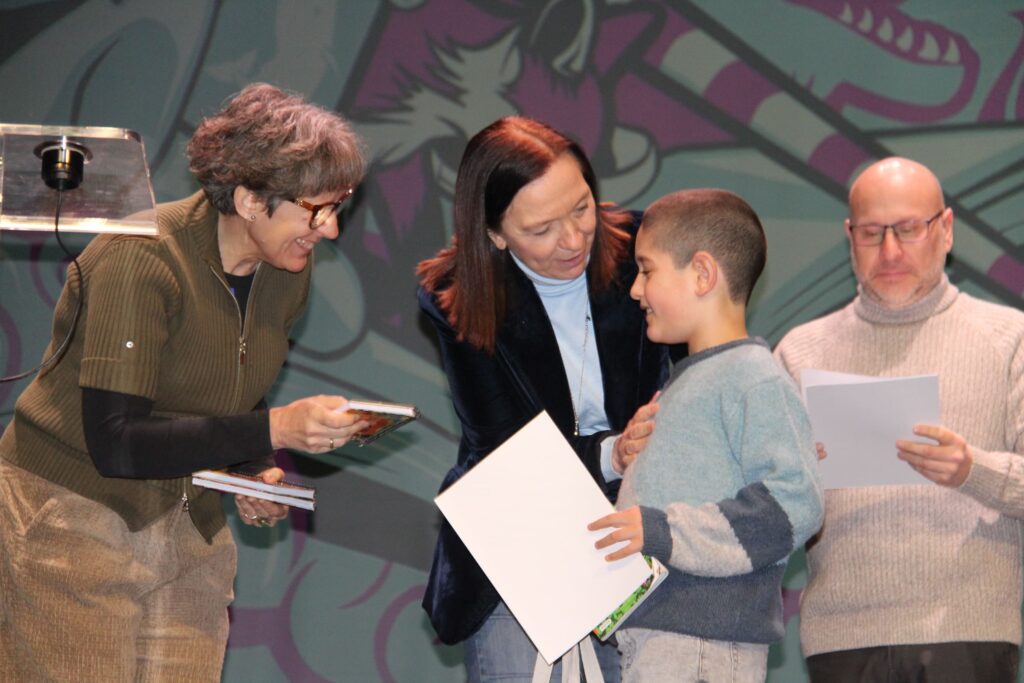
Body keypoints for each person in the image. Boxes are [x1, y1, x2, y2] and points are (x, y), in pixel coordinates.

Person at [0, 83, 370, 682]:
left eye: (338, 206)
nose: (329, 230)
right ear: (249, 200)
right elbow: (117, 444)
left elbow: (233, 386)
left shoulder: (286, 272)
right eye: (316, 209)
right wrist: (274, 430)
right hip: (71, 519)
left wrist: (253, 470)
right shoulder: (141, 257)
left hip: (188, 525)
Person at [416, 116, 672, 682]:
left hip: (636, 530)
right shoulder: (455, 297)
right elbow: (503, 447)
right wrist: (613, 453)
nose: (573, 239)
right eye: (541, 229)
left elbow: (701, 360)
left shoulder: (646, 248)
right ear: (494, 234)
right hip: (524, 540)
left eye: (581, 208)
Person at [774, 157, 1024, 682]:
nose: (890, 251)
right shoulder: (800, 352)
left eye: (909, 229)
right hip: (841, 641)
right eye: (872, 233)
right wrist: (794, 479)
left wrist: (972, 470)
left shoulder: (1009, 339)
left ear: (946, 229)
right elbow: (762, 513)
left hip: (968, 631)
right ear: (849, 237)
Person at [589, 188, 824, 683]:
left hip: (700, 647)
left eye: (647, 270)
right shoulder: (695, 379)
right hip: (662, 640)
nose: (635, 290)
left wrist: (661, 531)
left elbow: (794, 502)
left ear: (702, 273)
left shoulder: (752, 376)